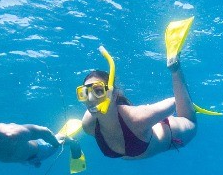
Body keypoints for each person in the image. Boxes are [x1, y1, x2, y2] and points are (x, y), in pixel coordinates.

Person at [79, 17, 201, 160]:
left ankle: (175, 68)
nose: (90, 98)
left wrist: (182, 103)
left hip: (173, 135)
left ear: (114, 93)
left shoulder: (138, 118)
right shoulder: (88, 125)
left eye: (98, 90)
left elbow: (174, 102)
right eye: (84, 93)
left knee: (191, 123)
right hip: (147, 123)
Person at [0, 100, 78, 167]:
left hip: (41, 151)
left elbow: (42, 131)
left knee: (59, 139)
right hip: (22, 159)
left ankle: (73, 144)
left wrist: (56, 143)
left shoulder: (10, 134)